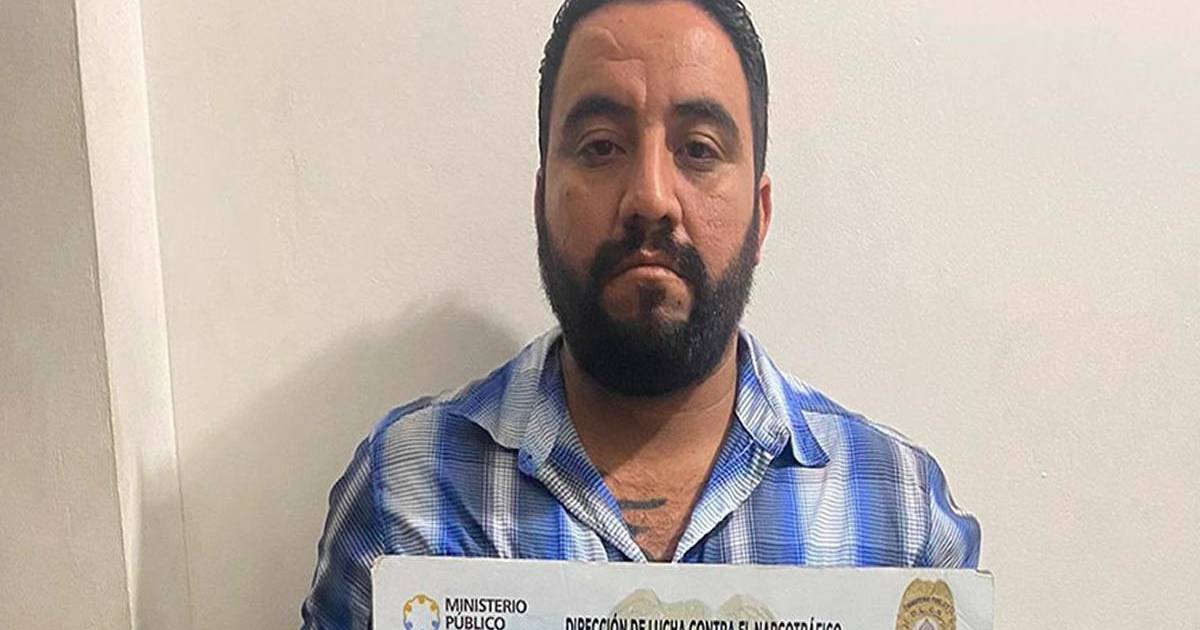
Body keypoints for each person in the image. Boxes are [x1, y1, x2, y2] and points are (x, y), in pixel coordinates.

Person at [301, 0, 980, 627]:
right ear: (542, 202)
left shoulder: (900, 517)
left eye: (699, 149)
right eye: (601, 145)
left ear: (760, 213)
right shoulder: (407, 493)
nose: (651, 197)